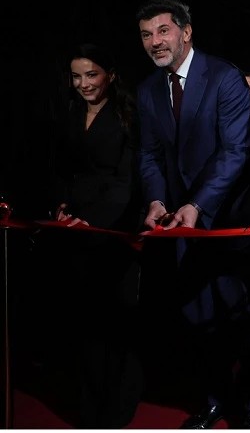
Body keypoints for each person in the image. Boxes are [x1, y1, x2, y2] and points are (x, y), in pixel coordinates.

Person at [135, 0, 250, 429]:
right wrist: (157, 200)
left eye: (163, 30)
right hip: (179, 226)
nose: (155, 41)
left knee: (240, 315)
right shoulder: (148, 90)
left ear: (186, 32)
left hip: (225, 219)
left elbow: (236, 151)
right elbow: (150, 155)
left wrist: (198, 203)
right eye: (146, 34)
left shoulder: (224, 77)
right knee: (196, 316)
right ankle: (214, 400)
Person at [37, 42, 144, 428]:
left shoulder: (128, 114)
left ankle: (117, 409)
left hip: (113, 231)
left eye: (91, 74)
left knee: (113, 323)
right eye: (76, 76)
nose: (83, 83)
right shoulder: (69, 112)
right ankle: (88, 407)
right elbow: (61, 168)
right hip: (74, 233)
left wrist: (94, 221)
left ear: (110, 75)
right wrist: (62, 205)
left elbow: (126, 181)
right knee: (82, 323)